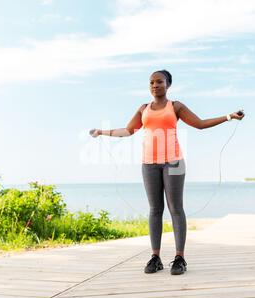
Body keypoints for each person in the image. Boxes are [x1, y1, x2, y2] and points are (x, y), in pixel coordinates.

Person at [90, 70, 245, 275]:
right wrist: (102, 132)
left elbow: (199, 124)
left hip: (174, 162)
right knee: (155, 210)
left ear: (168, 84)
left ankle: (180, 258)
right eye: (152, 82)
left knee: (176, 209)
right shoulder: (143, 109)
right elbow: (128, 131)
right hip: (149, 164)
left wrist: (228, 117)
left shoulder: (176, 106)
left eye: (159, 82)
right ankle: (155, 257)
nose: (155, 85)